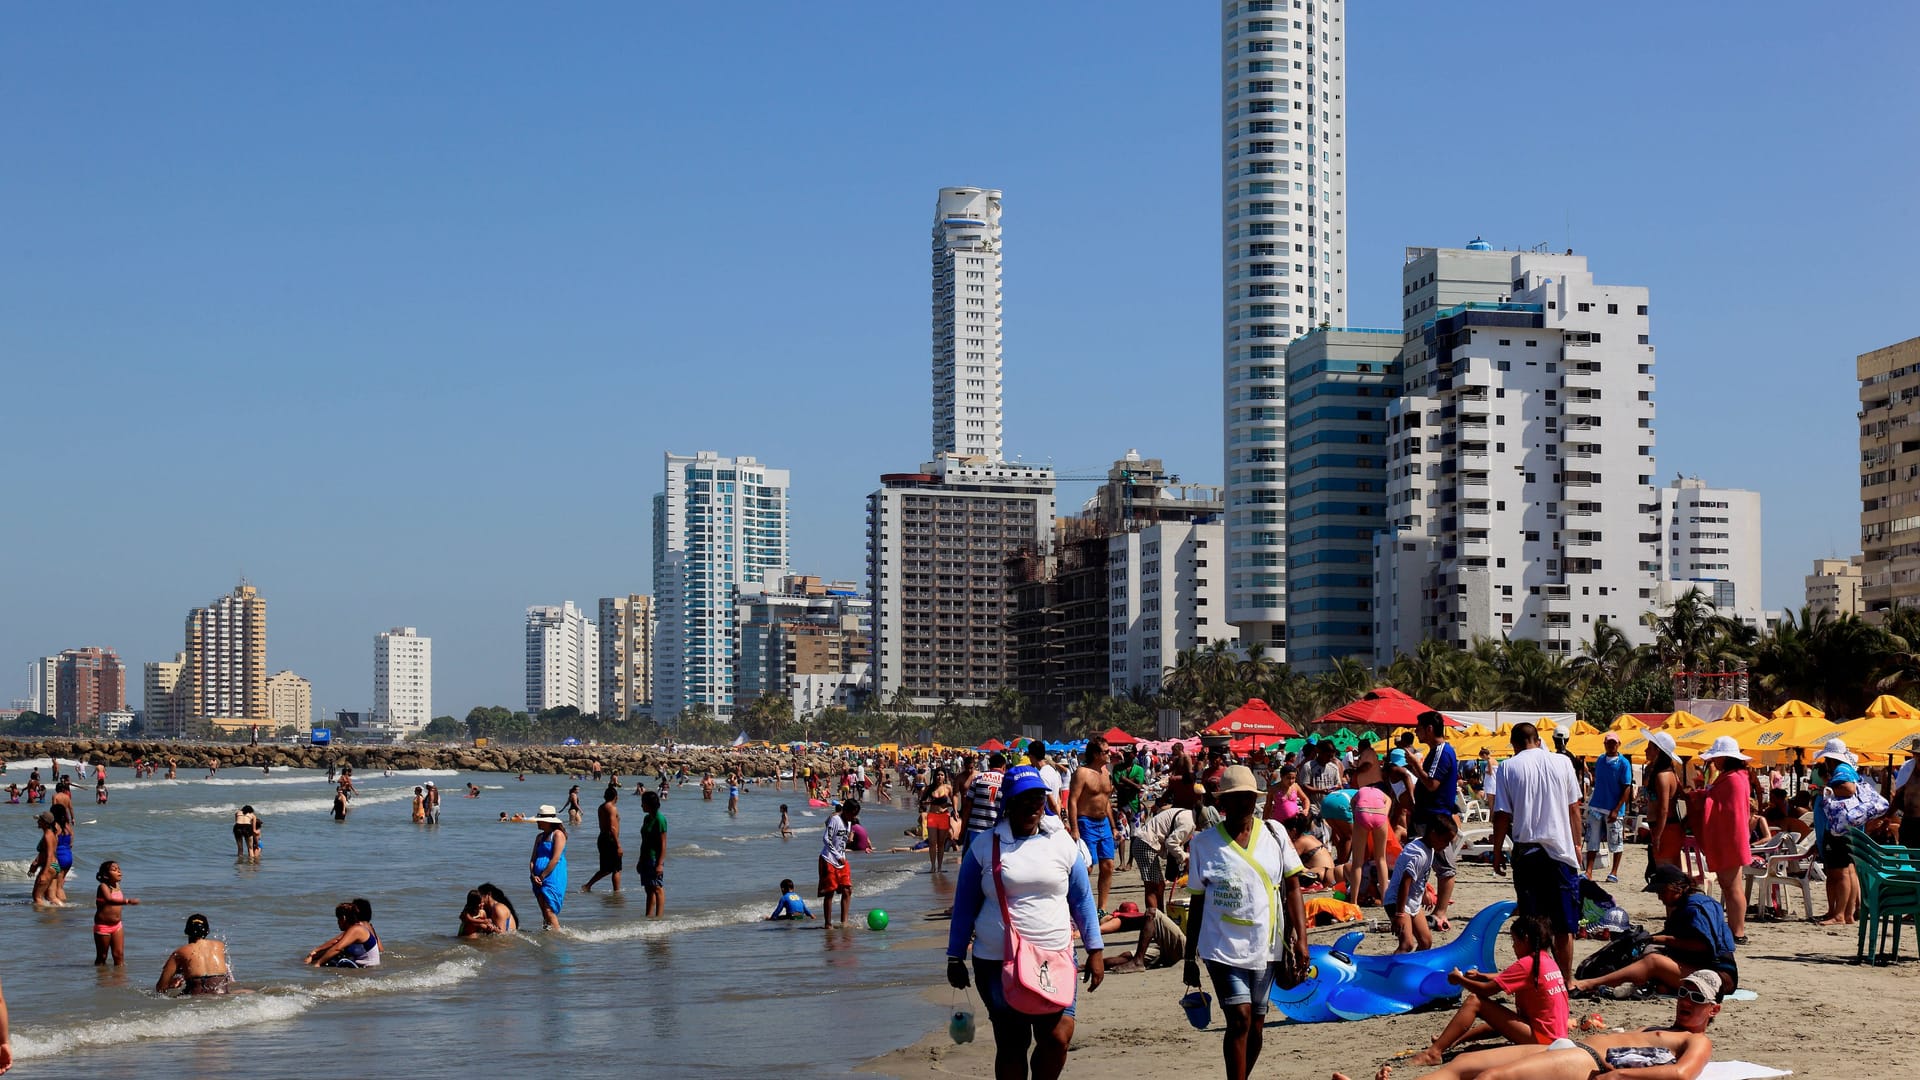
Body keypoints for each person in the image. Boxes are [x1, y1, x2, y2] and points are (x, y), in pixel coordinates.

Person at [946, 766, 1104, 1080]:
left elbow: (1082, 898)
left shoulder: (1061, 842)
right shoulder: (985, 846)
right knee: (1012, 1043)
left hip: (1056, 959)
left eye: (1038, 797)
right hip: (997, 961)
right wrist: (955, 956)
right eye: (1024, 798)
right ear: (1008, 803)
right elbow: (964, 905)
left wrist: (1095, 948)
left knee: (1058, 1037)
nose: (1033, 805)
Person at [1335, 969, 1723, 1080]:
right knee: (1459, 1067)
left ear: (1714, 1011)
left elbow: (1681, 1074)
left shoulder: (1698, 1043)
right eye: (1684, 993)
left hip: (1583, 1061)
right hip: (1564, 1048)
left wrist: (1621, 1078)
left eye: (1698, 998)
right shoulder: (1665, 1027)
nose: (1687, 1002)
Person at [1184, 765, 1310, 1080]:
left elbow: (1292, 887)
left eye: (1249, 798)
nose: (1243, 805)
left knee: (1255, 1023)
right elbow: (1197, 903)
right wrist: (1189, 956)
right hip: (1221, 946)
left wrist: (1302, 941)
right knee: (1238, 1018)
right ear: (1223, 803)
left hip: (1266, 944)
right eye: (1235, 799)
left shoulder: (1275, 833)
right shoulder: (1204, 844)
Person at [1408, 914, 1569, 1066]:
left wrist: (1459, 980)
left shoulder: (1527, 963)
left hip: (1543, 1041)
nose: (1513, 947)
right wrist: (1482, 976)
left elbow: (1485, 992)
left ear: (1525, 939)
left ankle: (1433, 1053)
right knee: (1498, 1017)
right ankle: (1454, 1039)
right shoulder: (1546, 961)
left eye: (1514, 941)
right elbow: (1506, 977)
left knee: (1475, 1002)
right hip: (1557, 1037)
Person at [1489, 722, 1583, 979]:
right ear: (1539, 739)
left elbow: (1502, 815)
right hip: (1561, 851)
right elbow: (1574, 807)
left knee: (1533, 921)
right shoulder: (1563, 763)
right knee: (1564, 923)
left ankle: (1539, 977)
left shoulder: (1507, 767)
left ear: (1515, 744)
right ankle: (1566, 979)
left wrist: (1497, 850)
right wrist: (1578, 844)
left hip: (1527, 851)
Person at [1572, 865, 1738, 998]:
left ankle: (1590, 983)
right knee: (1649, 964)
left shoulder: (1697, 907)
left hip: (1719, 978)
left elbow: (1703, 946)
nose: (1659, 897)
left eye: (1661, 891)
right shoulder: (1685, 904)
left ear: (1676, 888)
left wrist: (1664, 939)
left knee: (1653, 962)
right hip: (1703, 970)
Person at [1694, 736, 1752, 944]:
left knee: (1732, 886)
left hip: (1731, 838)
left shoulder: (1734, 779)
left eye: (1717, 757)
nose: (1714, 761)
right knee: (1729, 886)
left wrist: (1701, 797)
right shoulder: (1735, 776)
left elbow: (1724, 808)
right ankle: (1735, 929)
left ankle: (1738, 932)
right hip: (1731, 837)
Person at [1411, 710, 1463, 929]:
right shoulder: (1437, 751)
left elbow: (1432, 784)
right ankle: (1428, 910)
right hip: (1429, 815)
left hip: (1435, 817)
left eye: (1419, 728)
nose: (1416, 732)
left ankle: (1441, 913)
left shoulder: (1441, 751)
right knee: (1421, 863)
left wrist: (1414, 765)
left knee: (1444, 866)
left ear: (1429, 729)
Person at [1386, 816, 1458, 953]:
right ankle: (1391, 972)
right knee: (1406, 945)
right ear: (1433, 834)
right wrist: (1400, 914)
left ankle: (1413, 969)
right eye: (1445, 841)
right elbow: (1404, 883)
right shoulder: (1418, 854)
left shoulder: (1428, 847)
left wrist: (1424, 892)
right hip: (1398, 902)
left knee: (1425, 942)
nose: (1446, 845)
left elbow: (1418, 876)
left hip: (1412, 901)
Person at [1812, 738, 1863, 926]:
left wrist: (1827, 790)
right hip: (1847, 827)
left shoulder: (1841, 771)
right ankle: (1847, 914)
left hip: (1839, 829)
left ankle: (1839, 914)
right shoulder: (1849, 770)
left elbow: (1848, 789)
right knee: (1848, 871)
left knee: (1839, 872)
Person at [1066, 737, 1119, 914]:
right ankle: (1076, 906)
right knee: (1086, 867)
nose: (1109, 754)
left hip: (1103, 823)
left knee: (1108, 866)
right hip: (1085, 822)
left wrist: (1113, 826)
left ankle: (1101, 909)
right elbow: (1072, 801)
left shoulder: (1106, 771)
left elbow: (1106, 802)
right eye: (1106, 752)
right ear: (1096, 754)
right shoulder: (1082, 772)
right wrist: (1074, 828)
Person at [1585, 732, 1635, 883]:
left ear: (1618, 744)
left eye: (1614, 743)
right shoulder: (1600, 760)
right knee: (1591, 840)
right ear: (1605, 744)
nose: (1611, 745)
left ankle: (1614, 872)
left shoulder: (1623, 763)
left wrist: (1617, 809)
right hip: (1596, 806)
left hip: (1614, 809)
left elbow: (1626, 787)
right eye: (1608, 743)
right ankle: (1589, 871)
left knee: (1615, 840)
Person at [157, 913, 233, 996]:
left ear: (186, 931)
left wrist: (171, 985)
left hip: (196, 998)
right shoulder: (220, 946)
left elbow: (161, 988)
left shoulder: (179, 952)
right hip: (222, 995)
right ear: (207, 931)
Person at [1102, 900, 1186, 972]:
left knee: (1151, 912)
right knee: (1126, 956)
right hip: (1169, 952)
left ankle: (1137, 962)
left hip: (1189, 947)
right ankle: (1097, 965)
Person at [1642, 731, 1683, 877]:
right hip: (1669, 828)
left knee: (1667, 877)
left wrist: (1657, 835)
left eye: (1649, 747)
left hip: (1666, 829)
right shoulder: (1670, 773)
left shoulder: (1662, 776)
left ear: (1657, 751)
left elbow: (1663, 809)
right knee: (1673, 875)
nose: (1645, 750)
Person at [305, 899, 382, 968]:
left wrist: (318, 963)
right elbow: (335, 944)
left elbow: (337, 948)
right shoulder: (359, 927)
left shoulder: (356, 929)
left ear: (344, 918)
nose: (337, 922)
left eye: (338, 919)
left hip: (368, 968)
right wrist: (314, 955)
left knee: (336, 959)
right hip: (366, 966)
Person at [818, 799, 860, 927]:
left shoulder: (848, 823)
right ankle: (828, 924)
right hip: (828, 859)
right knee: (829, 892)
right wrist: (836, 855)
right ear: (845, 810)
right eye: (852, 813)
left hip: (841, 860)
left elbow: (842, 842)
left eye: (855, 814)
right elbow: (826, 838)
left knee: (847, 890)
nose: (854, 817)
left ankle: (844, 922)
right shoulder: (835, 820)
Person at [528, 805, 569, 930]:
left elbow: (555, 859)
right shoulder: (539, 837)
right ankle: (547, 935)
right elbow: (532, 859)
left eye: (540, 820)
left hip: (553, 876)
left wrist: (542, 876)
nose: (538, 822)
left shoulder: (558, 835)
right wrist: (533, 875)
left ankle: (557, 937)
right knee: (544, 911)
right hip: (537, 878)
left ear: (547, 821)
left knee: (549, 909)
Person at [93, 861, 141, 966]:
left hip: (117, 926)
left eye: (119, 869)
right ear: (105, 875)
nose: (119, 871)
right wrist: (127, 901)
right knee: (102, 956)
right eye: (114, 870)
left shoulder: (117, 885)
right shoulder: (103, 887)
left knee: (119, 955)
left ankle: (119, 978)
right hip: (103, 927)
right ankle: (101, 979)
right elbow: (109, 900)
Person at [962, 752, 1008, 851]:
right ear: (1003, 767)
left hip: (975, 829)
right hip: (997, 831)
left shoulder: (978, 778)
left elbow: (967, 807)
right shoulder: (1006, 781)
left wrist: (963, 829)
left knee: (972, 862)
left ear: (989, 765)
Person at [582, 784, 623, 893]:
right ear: (616, 797)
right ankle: (616, 893)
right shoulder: (612, 808)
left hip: (603, 837)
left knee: (607, 868)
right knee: (616, 868)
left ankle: (588, 885)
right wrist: (618, 845)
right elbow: (613, 828)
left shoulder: (601, 807)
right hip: (610, 838)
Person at [921, 768, 958, 874]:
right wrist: (927, 803)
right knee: (932, 842)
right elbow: (922, 802)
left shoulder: (948, 788)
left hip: (944, 816)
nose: (939, 777)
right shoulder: (929, 788)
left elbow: (954, 799)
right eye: (938, 775)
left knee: (941, 843)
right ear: (934, 776)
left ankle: (940, 867)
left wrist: (954, 810)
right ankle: (932, 866)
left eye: (942, 775)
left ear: (944, 777)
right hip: (932, 816)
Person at [637, 790, 667, 917]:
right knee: (648, 889)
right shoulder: (647, 818)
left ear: (649, 804)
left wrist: (660, 864)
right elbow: (644, 841)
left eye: (643, 803)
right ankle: (648, 916)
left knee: (657, 888)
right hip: (645, 858)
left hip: (655, 858)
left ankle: (659, 917)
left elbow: (663, 844)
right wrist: (640, 860)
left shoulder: (660, 819)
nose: (641, 806)